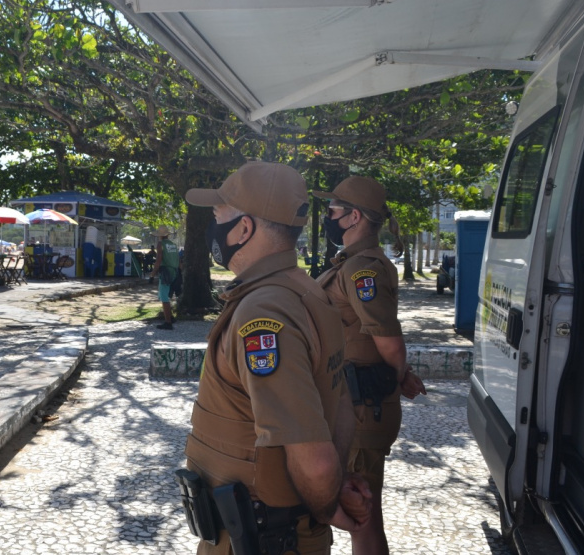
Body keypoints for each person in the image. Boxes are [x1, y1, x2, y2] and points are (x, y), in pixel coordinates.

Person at [180, 161, 371, 555]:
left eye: (218, 216)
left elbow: (315, 459)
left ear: (243, 229)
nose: (212, 228)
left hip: (260, 539)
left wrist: (327, 506)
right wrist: (333, 488)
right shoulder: (308, 292)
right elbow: (340, 405)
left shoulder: (264, 312)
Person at [314, 176, 427, 555]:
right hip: (355, 403)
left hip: (362, 408)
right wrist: (400, 375)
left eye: (332, 210)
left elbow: (389, 342)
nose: (327, 217)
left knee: (362, 520)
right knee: (361, 517)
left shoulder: (362, 269)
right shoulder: (352, 263)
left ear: (354, 217)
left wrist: (396, 377)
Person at [150, 225, 180, 330]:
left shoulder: (160, 244)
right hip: (174, 272)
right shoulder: (173, 245)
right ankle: (171, 317)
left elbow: (159, 259)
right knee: (167, 295)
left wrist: (153, 273)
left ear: (159, 236)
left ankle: (168, 322)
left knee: (164, 297)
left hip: (165, 272)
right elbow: (178, 260)